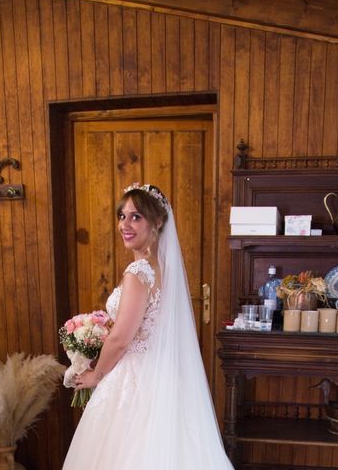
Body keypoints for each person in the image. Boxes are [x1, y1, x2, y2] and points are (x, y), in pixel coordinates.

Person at [63, 183, 234, 469]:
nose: (125, 225)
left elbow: (120, 339)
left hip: (134, 378)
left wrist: (96, 375)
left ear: (157, 222)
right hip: (162, 374)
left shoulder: (138, 272)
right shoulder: (162, 268)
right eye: (122, 216)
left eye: (136, 217)